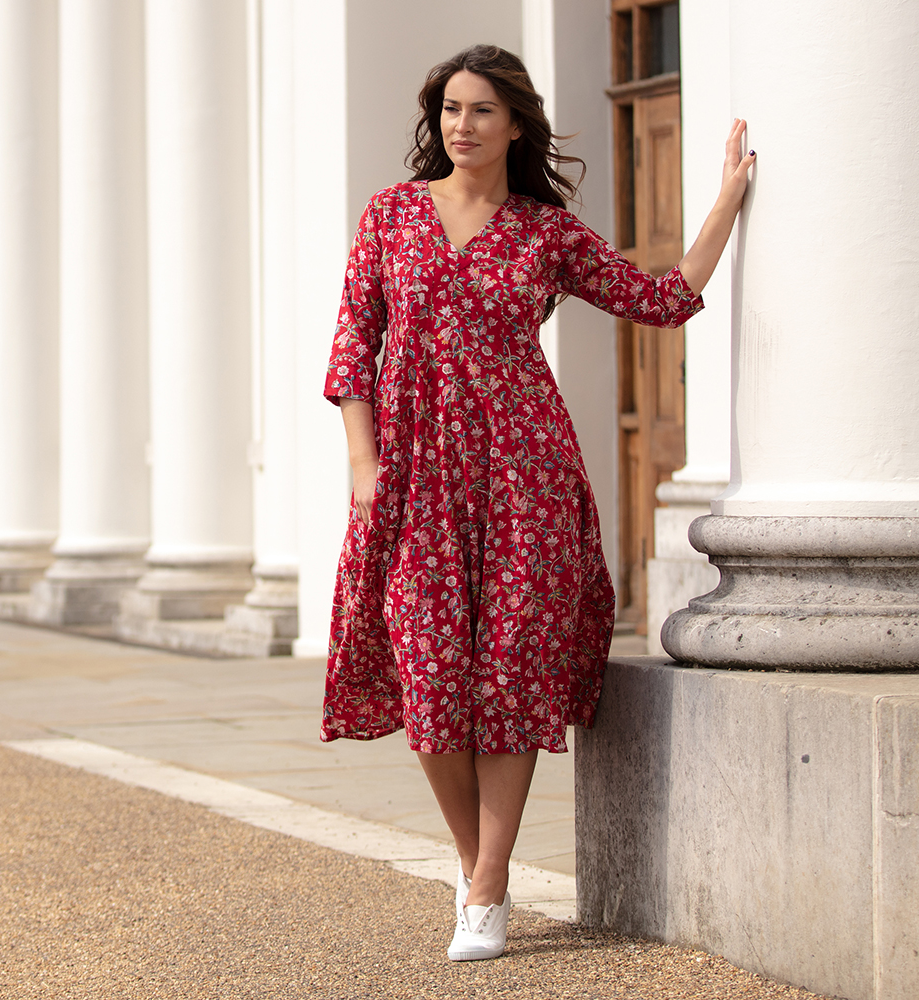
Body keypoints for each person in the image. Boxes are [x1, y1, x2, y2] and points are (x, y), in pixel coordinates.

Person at [322, 44, 754, 961]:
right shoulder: (391, 216)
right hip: (414, 478)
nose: (461, 126)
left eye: (481, 110)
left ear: (516, 124)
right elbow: (354, 344)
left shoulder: (544, 234)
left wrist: (723, 202)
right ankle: (477, 859)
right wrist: (364, 463)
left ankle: (487, 883)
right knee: (433, 673)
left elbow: (662, 299)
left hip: (526, 476)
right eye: (449, 109)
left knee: (511, 677)